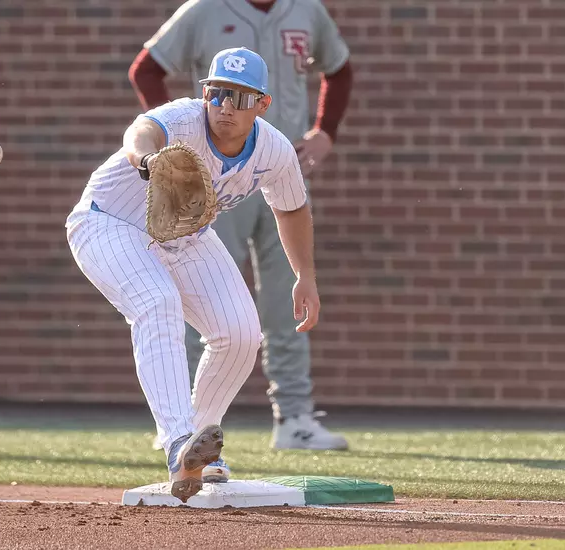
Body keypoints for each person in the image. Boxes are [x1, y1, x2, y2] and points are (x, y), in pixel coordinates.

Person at [66, 47, 321, 500]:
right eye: (218, 93)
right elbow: (140, 131)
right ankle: (179, 443)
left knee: (241, 333)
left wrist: (305, 275)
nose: (226, 106)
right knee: (156, 303)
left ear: (262, 104)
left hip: (185, 236)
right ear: (205, 93)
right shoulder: (183, 119)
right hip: (109, 221)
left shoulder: (274, 150)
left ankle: (199, 453)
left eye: (241, 98)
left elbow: (293, 210)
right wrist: (146, 160)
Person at [129, 0, 353, 455]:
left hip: (277, 170)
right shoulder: (203, 10)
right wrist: (169, 147)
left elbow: (340, 68)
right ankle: (180, 422)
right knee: (199, 301)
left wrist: (325, 129)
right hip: (206, 183)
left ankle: (294, 417)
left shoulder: (306, 9)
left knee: (283, 298)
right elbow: (146, 69)